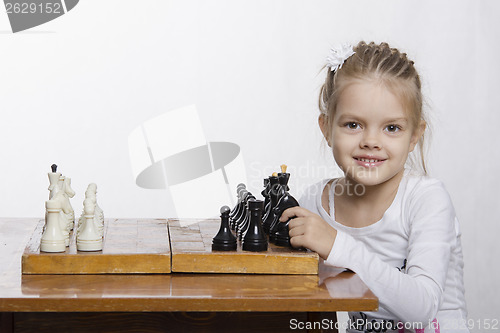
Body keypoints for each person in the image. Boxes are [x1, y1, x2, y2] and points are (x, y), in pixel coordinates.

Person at [280, 41, 469, 332]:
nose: (371, 141)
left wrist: (337, 245)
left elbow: (422, 309)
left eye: (391, 128)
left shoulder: (426, 200)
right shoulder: (315, 202)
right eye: (353, 125)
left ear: (415, 136)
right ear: (326, 128)